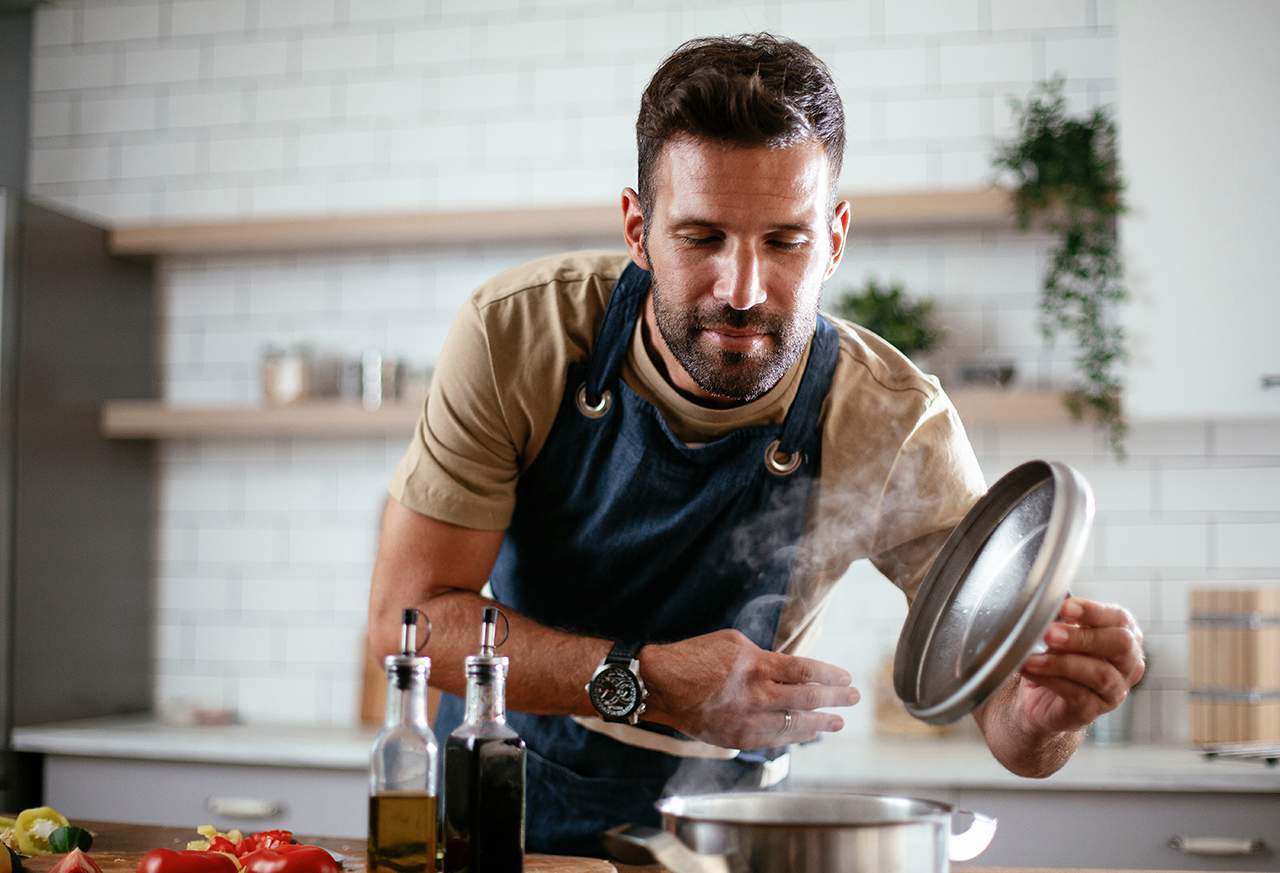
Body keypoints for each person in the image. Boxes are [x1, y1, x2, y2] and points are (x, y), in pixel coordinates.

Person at [370, 33, 1145, 857]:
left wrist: (1043, 715)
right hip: (499, 823)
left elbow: (1009, 725)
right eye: (701, 238)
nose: (742, 291)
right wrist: (652, 681)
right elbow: (406, 622)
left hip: (723, 842)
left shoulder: (891, 419)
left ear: (836, 239)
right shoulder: (519, 334)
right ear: (638, 228)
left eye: (785, 242)